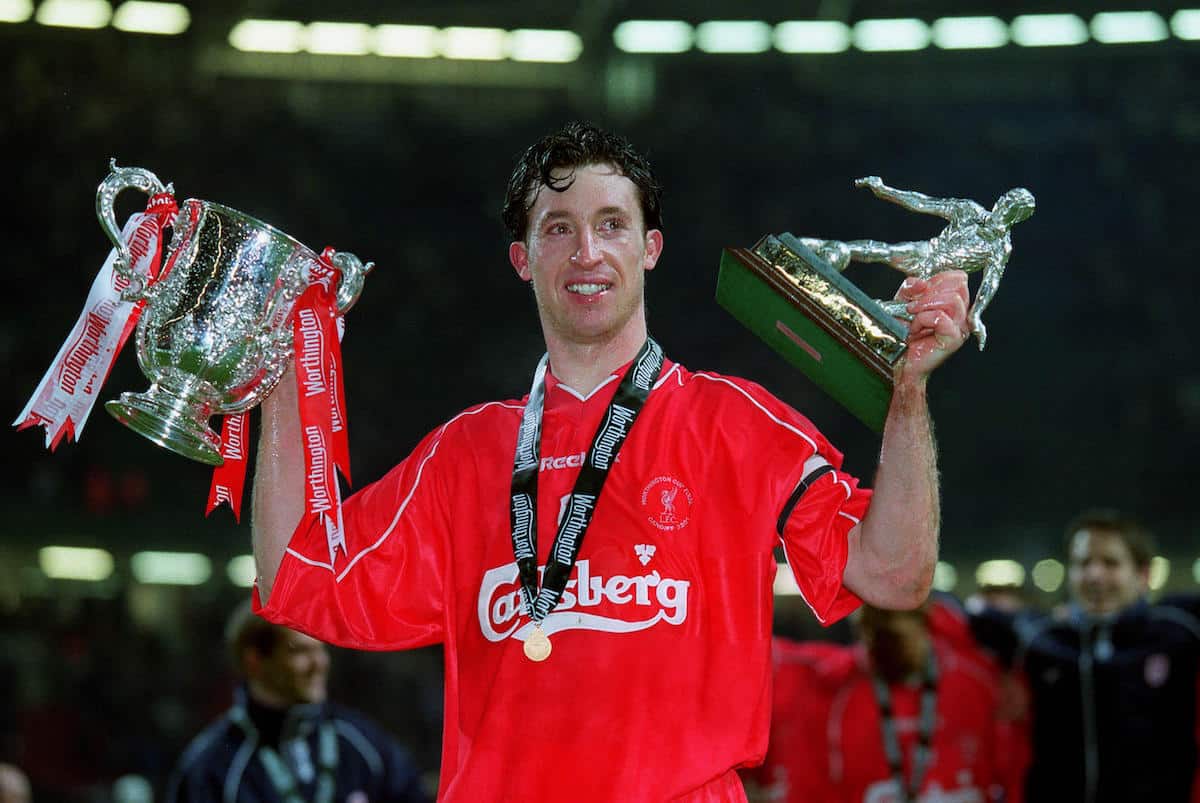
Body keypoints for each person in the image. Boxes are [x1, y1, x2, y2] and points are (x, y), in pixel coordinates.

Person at [250, 121, 972, 801]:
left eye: (611, 225)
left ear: (650, 247)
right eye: (558, 229)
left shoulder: (737, 425)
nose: (586, 253)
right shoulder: (463, 453)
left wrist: (909, 390)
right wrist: (282, 359)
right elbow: (296, 575)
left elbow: (893, 573)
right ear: (522, 258)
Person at [969, 509, 1200, 802]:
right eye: (1082, 563)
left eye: (1110, 563)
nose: (1094, 574)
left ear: (1143, 574)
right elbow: (954, 617)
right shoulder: (1041, 639)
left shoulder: (1179, 632)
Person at [744, 599, 1015, 803]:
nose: (881, 647)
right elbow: (767, 659)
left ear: (923, 625)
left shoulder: (980, 681)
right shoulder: (836, 685)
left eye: (894, 634)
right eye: (872, 635)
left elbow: (1013, 767)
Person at [165, 602, 427, 803]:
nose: (320, 663)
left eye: (321, 648)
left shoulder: (360, 742)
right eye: (301, 651)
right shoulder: (213, 768)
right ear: (255, 660)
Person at [801, 176, 1035, 349]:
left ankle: (864, 318)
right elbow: (923, 203)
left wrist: (976, 314)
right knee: (883, 250)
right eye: (1006, 198)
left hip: (937, 281)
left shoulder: (1000, 247)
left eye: (1011, 204)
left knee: (914, 314)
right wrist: (884, 190)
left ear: (1016, 215)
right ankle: (822, 249)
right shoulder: (969, 210)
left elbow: (990, 282)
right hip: (928, 251)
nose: (1004, 203)